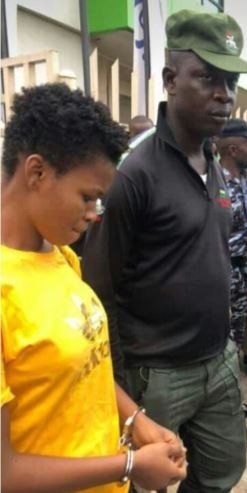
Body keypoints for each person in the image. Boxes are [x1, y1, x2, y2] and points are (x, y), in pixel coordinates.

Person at [82, 9, 247, 493]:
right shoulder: (133, 174)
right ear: (169, 80)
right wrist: (122, 387)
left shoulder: (213, 160)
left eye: (230, 82)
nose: (224, 94)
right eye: (208, 78)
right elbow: (98, 290)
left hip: (217, 359)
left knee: (220, 473)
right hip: (155, 373)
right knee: (148, 484)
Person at [0, 83, 187, 493]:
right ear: (36, 172)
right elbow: (3, 473)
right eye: (88, 197)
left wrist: (136, 420)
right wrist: (129, 465)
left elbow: (88, 366)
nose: (94, 214)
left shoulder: (61, 255)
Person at [216, 118, 247, 382]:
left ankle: (235, 372)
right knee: (221, 325)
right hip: (222, 266)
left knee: (242, 322)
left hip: (246, 265)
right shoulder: (213, 181)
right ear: (233, 150)